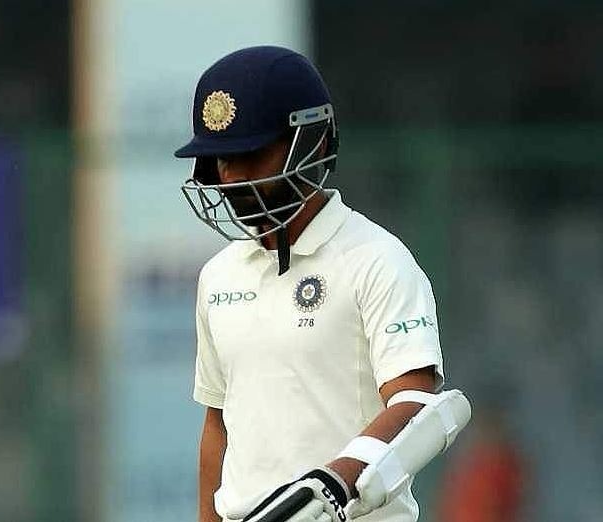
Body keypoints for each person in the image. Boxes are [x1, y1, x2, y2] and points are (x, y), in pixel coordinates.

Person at [174, 46, 471, 522]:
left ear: (309, 144)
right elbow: (218, 424)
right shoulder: (218, 276)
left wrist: (328, 487)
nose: (232, 178)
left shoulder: (376, 260)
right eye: (221, 160)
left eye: (251, 155)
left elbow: (416, 404)